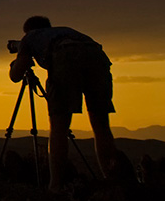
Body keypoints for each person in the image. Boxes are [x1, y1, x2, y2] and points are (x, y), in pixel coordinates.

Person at [8, 15, 118, 191]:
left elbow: (16, 76)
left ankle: (56, 187)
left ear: (28, 30)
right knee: (101, 126)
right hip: (97, 57)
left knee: (59, 127)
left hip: (65, 57)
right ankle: (112, 179)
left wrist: (15, 63)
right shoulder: (65, 31)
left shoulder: (30, 37)